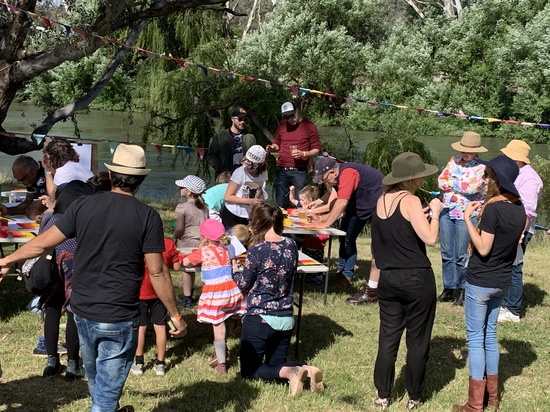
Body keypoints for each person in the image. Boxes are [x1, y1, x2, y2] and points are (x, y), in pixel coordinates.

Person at [0, 144, 187, 412]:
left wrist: (6, 261)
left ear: (111, 175)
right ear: (140, 181)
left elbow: (43, 243)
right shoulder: (148, 216)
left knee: (99, 385)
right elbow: (157, 271)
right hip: (119, 314)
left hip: (82, 311)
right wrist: (176, 315)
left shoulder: (83, 205)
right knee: (105, 394)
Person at [370, 152, 442, 411]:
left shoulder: (381, 200)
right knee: (418, 339)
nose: (423, 180)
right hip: (416, 277)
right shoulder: (411, 200)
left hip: (388, 278)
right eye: (421, 176)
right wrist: (435, 214)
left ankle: (383, 395)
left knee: (388, 337)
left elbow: (396, 230)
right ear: (411, 179)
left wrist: (421, 215)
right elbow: (430, 239)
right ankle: (414, 395)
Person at [453, 155, 525, 412]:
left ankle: (475, 405)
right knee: (490, 336)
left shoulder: (493, 209)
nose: (483, 180)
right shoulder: (519, 208)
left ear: (497, 180)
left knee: (475, 339)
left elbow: (483, 248)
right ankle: (492, 399)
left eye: (487, 176)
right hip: (502, 280)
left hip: (481, 280)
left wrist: (467, 219)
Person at [233, 202, 324, 396]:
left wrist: (234, 271)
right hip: (285, 317)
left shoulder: (257, 251)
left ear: (257, 222)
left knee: (249, 371)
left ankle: (292, 372)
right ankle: (306, 369)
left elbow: (243, 284)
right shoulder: (291, 245)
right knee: (275, 367)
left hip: (260, 318)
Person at [182, 219, 246, 375]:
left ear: (204, 237)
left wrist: (199, 249)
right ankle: (222, 351)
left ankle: (222, 362)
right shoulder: (226, 250)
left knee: (218, 326)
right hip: (231, 291)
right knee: (225, 318)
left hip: (216, 294)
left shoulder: (202, 252)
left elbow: (185, 262)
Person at [310, 156, 384, 288]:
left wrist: (325, 224)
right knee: (342, 236)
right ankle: (341, 271)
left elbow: (342, 202)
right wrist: (322, 219)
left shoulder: (348, 173)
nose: (325, 182)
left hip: (375, 205)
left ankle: (347, 276)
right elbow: (340, 207)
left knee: (349, 238)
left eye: (325, 178)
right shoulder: (337, 178)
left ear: (333, 172)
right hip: (358, 206)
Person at [437, 131, 487, 306]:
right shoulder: (453, 160)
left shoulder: (482, 168)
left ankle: (463, 289)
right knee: (446, 252)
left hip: (467, 214)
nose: (464, 153)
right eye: (463, 149)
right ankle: (449, 288)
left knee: (462, 254)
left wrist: (452, 183)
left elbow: (474, 188)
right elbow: (440, 181)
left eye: (469, 150)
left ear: (476, 151)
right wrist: (460, 184)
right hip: (447, 210)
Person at [498, 140, 543, 323]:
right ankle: (504, 303)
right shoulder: (515, 173)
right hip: (509, 226)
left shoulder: (530, 179)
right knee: (506, 265)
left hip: (519, 229)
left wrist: (521, 233)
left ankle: (513, 310)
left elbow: (528, 210)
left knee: (515, 267)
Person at [132, 237, 181, 377]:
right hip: (161, 293)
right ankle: (160, 363)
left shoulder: (137, 242)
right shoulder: (169, 244)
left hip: (140, 291)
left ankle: (139, 362)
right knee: (160, 327)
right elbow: (177, 267)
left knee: (140, 327)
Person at [266, 102, 321, 208]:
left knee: (301, 203)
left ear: (297, 111)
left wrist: (303, 153)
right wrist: (272, 148)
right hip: (282, 169)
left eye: (292, 116)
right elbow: (277, 144)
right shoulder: (282, 125)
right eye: (286, 117)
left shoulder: (309, 126)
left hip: (299, 170)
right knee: (280, 204)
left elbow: (316, 150)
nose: (290, 119)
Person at [174, 175, 208, 308]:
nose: (179, 188)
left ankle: (187, 297)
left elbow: (179, 228)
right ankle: (191, 293)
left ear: (188, 192)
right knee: (194, 269)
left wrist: (175, 237)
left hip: (186, 242)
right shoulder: (205, 207)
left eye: (181, 187)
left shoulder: (182, 207)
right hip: (201, 242)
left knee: (186, 269)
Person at [221, 145, 268, 230]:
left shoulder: (263, 173)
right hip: (233, 213)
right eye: (246, 162)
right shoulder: (239, 172)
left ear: (260, 165)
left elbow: (260, 191)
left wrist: (257, 208)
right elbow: (227, 197)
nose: (247, 166)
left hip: (248, 214)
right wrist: (249, 201)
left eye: (251, 165)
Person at [207, 106, 256, 177]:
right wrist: (222, 170)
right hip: (225, 177)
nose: (242, 122)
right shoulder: (220, 136)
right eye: (240, 119)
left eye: (245, 119)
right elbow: (211, 156)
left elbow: (254, 157)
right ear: (232, 119)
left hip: (244, 176)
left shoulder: (250, 137)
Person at [0, 155, 47, 219]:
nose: (20, 183)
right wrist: (7, 210)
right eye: (17, 180)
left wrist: (30, 211)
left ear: (32, 174)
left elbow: (34, 212)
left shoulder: (43, 176)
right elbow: (28, 202)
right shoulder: (31, 176)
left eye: (21, 180)